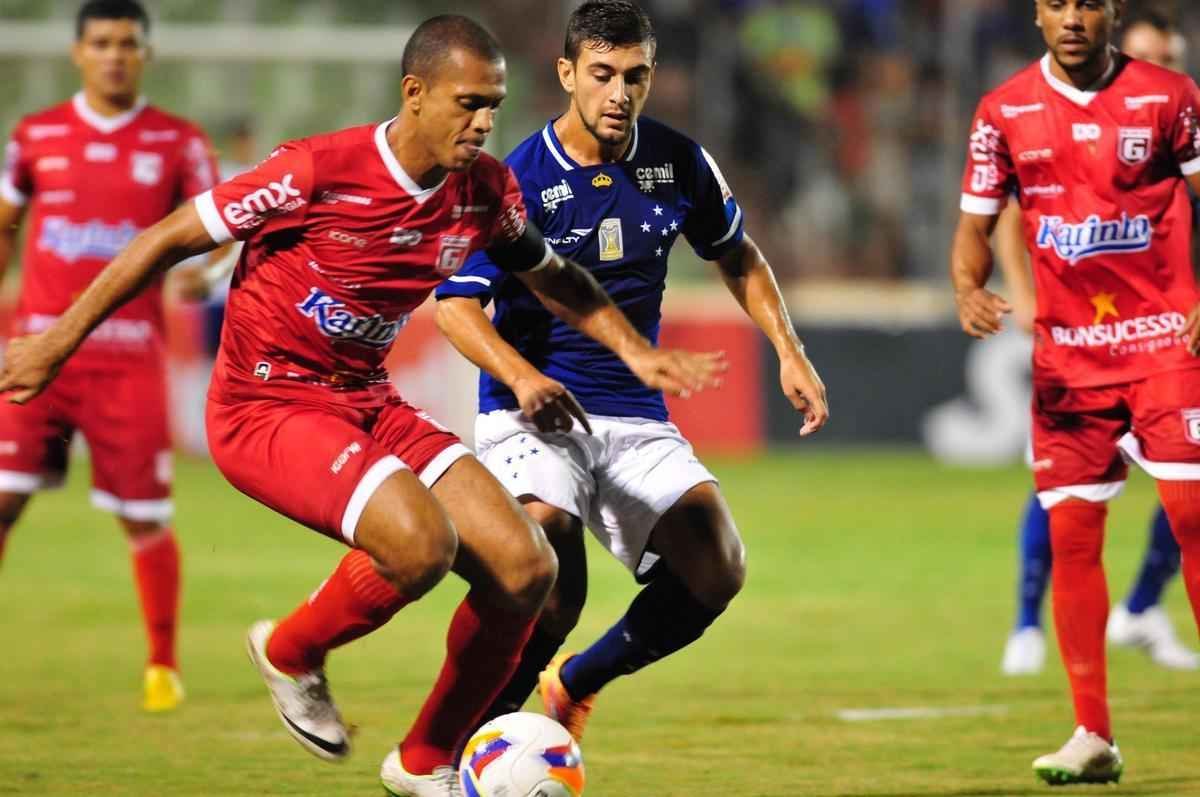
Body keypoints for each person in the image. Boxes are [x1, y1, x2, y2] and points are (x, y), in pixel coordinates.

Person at [0, 14, 723, 797]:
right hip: (266, 402)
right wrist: (56, 339)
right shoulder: (316, 170)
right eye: (468, 103)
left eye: (493, 105)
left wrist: (636, 350)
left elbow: (554, 276)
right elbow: (166, 237)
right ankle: (290, 649)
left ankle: (423, 761)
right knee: (420, 544)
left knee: (527, 569)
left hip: (366, 398)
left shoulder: (483, 189)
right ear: (414, 94)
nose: (484, 122)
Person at [435, 0, 828, 744]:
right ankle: (459, 746)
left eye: (636, 76)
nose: (620, 93)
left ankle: (574, 683)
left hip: (632, 413)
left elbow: (735, 253)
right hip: (532, 410)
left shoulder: (678, 161)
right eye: (603, 74)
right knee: (552, 577)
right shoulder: (515, 178)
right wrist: (521, 378)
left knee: (718, 566)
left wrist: (788, 347)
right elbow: (455, 307)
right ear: (567, 73)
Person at [951, 0, 1200, 784]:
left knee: (1193, 512)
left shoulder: (1170, 96)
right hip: (1068, 362)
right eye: (1057, 2)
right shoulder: (1003, 111)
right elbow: (976, 221)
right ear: (1036, 13)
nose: (1072, 17)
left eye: (1088, 2)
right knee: (1073, 540)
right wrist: (966, 284)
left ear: (1110, 13)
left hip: (1165, 341)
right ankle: (1092, 732)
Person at [0, 0, 223, 712]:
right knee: (1, 499)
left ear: (145, 54)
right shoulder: (34, 136)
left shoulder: (178, 142)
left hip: (128, 357)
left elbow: (218, 232)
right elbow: (5, 224)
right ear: (78, 53)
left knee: (145, 515)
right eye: (101, 43)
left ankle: (162, 665)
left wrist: (203, 272)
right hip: (38, 351)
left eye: (127, 43)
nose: (114, 55)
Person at [997, 8, 1198, 676]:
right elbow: (1010, 209)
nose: (1156, 70)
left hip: (1170, 333)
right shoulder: (1055, 119)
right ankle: (1028, 621)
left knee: (1189, 486)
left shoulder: (1176, 123)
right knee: (1062, 486)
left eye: (1167, 58)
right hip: (1083, 338)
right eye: (1147, 56)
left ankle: (1139, 605)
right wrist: (1023, 296)